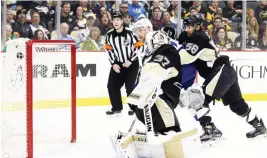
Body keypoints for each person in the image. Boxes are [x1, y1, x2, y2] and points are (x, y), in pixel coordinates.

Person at [178, 14, 267, 141]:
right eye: (185, 26)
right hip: (226, 72)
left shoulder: (198, 36)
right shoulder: (196, 36)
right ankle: (259, 127)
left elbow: (184, 58)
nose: (186, 29)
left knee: (196, 100)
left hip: (221, 71)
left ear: (197, 27)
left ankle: (210, 130)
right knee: (237, 104)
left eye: (189, 27)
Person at [104, 12, 141, 115]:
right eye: (114, 20)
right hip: (118, 64)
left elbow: (139, 46)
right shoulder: (109, 35)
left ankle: (134, 107)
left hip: (132, 63)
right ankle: (116, 107)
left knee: (130, 87)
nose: (116, 22)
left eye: (118, 20)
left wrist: (130, 60)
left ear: (122, 21)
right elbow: (109, 50)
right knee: (111, 86)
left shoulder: (130, 33)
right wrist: (113, 64)